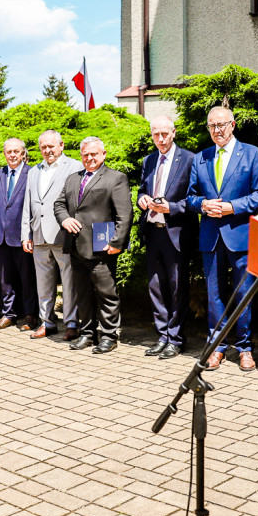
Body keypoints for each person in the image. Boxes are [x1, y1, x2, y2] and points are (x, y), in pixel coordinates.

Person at [186, 106, 258, 372]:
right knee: (214, 295)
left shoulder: (253, 154)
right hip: (210, 236)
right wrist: (203, 204)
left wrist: (232, 206)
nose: (217, 131)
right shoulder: (201, 158)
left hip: (241, 234)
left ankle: (244, 348)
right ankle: (217, 347)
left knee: (243, 293)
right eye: (212, 126)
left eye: (221, 125)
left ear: (233, 125)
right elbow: (190, 197)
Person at [54, 136, 132, 354]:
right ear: (81, 155)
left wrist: (117, 242)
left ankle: (109, 336)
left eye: (94, 154)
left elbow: (124, 214)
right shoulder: (72, 179)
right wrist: (64, 219)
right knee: (83, 294)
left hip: (102, 248)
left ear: (103, 154)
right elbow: (59, 204)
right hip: (76, 247)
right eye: (86, 154)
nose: (89, 158)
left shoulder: (116, 178)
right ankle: (87, 334)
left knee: (106, 295)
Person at [137, 115, 197, 359]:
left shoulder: (190, 160)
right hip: (153, 232)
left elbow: (194, 199)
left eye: (164, 134)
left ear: (174, 133)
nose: (160, 139)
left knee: (176, 288)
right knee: (156, 288)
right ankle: (162, 336)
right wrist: (141, 199)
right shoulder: (149, 160)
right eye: (155, 135)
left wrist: (170, 207)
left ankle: (177, 338)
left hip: (177, 234)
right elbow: (143, 189)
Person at [21, 130, 82, 340]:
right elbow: (27, 205)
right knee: (43, 283)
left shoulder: (75, 167)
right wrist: (25, 234)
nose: (47, 151)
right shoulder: (33, 171)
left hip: (62, 234)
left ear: (61, 145)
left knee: (69, 281)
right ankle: (47, 321)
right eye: (43, 147)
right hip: (38, 234)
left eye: (51, 146)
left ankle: (72, 322)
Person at [0, 138, 36, 331]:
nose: (13, 155)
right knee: (5, 279)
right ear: (5, 153)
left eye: (16, 151)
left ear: (23, 153)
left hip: (23, 237)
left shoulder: (32, 173)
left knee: (27, 278)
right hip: (1, 237)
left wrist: (30, 234)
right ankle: (9, 314)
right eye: (9, 152)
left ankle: (30, 315)